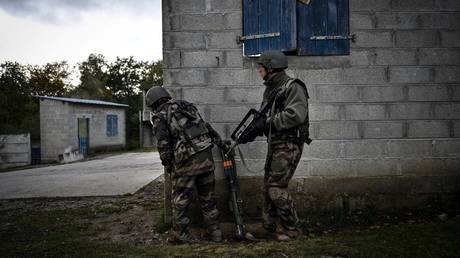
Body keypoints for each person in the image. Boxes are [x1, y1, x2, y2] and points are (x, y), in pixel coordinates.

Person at [239, 50, 311, 241]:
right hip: (276, 143)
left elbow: (295, 115)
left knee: (276, 188)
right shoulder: (271, 89)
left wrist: (268, 122)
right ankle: (269, 228)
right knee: (267, 186)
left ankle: (293, 230)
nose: (258, 71)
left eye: (260, 68)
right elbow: (264, 118)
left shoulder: (292, 87)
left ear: (271, 69)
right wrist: (253, 130)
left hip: (289, 144)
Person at [146, 86, 229, 243]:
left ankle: (180, 235)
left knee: (180, 201)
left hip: (187, 163)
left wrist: (169, 165)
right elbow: (207, 127)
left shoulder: (160, 116)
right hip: (206, 158)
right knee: (208, 199)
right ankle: (216, 233)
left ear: (153, 103)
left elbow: (163, 145)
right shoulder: (186, 106)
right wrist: (221, 144)